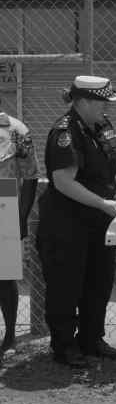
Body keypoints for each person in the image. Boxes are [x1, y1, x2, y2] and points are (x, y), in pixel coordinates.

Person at [36, 76, 116, 368]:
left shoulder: (102, 125)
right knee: (66, 286)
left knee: (98, 282)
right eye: (102, 102)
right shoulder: (64, 132)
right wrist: (103, 203)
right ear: (84, 102)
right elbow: (63, 181)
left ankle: (92, 341)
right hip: (67, 224)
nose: (107, 108)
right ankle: (64, 348)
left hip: (100, 223)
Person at [0, 98, 39, 358]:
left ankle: (10, 336)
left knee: (4, 276)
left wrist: (21, 216)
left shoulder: (16, 130)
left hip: (4, 202)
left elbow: (31, 175)